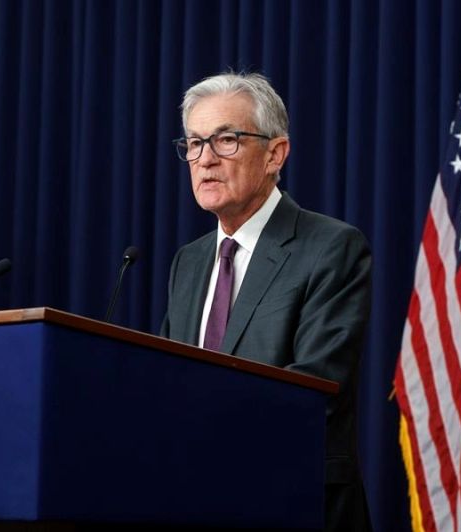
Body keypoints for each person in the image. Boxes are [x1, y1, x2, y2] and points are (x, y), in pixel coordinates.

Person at [160, 71, 373, 531]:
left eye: (226, 140)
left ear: (275, 153)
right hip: (192, 501)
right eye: (194, 144)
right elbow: (165, 378)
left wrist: (198, 429)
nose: (205, 160)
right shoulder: (189, 261)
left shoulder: (331, 247)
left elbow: (316, 386)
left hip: (292, 503)